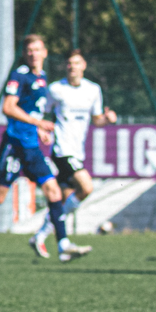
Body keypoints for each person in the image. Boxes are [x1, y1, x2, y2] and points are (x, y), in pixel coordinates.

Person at [0, 34, 79, 261]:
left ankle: (62, 244)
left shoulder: (42, 77)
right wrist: (38, 123)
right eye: (29, 50)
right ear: (24, 54)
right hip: (15, 144)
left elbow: (31, 109)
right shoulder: (19, 75)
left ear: (45, 52)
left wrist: (38, 128)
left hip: (31, 146)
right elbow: (8, 107)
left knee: (53, 190)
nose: (33, 54)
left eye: (37, 49)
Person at [34, 49, 117, 261]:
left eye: (77, 63)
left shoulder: (93, 89)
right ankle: (56, 241)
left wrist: (107, 119)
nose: (73, 67)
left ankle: (42, 237)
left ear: (84, 66)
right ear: (66, 66)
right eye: (70, 63)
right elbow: (42, 113)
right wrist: (41, 129)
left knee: (61, 200)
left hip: (77, 151)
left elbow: (97, 119)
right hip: (62, 150)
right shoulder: (56, 89)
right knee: (86, 187)